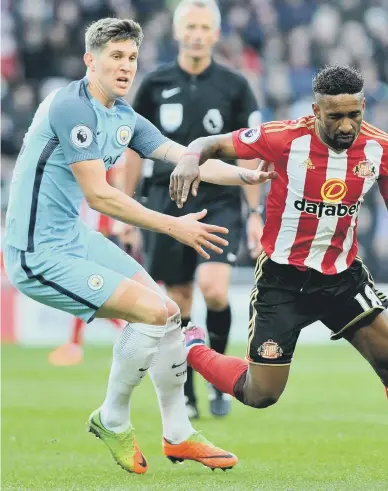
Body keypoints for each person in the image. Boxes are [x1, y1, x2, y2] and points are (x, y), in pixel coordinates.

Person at [3, 18, 274, 474]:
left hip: (74, 239)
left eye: (131, 58)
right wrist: (174, 226)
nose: (126, 67)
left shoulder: (124, 116)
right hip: (36, 255)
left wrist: (245, 175)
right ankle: (112, 417)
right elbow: (101, 195)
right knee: (152, 313)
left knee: (167, 312)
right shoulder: (72, 106)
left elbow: (182, 157)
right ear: (91, 60)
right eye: (116, 57)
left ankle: (179, 435)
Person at [171, 64, 388, 431]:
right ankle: (193, 347)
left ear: (364, 106)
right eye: (336, 116)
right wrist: (190, 158)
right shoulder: (283, 138)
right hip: (282, 279)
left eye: (354, 114)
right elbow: (211, 143)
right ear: (316, 111)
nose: (346, 125)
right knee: (261, 394)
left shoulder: (383, 150)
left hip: (340, 277)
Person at [121, 0, 263, 419]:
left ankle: (221, 380)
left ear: (216, 34)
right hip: (165, 202)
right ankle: (187, 391)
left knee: (215, 289)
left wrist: (254, 215)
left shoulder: (236, 86)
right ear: (178, 32)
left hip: (218, 200)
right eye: (191, 26)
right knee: (178, 301)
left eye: (205, 27)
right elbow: (132, 151)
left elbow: (250, 154)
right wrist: (127, 212)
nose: (198, 34)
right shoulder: (153, 84)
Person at [49, 168, 124, 366]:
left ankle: (123, 331)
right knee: (86, 295)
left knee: (87, 295)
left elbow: (110, 193)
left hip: (98, 238)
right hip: (93, 236)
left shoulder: (100, 171)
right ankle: (76, 344)